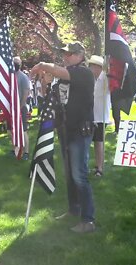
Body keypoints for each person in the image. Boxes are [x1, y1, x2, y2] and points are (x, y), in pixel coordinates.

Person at [30, 41, 96, 233]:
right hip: (66, 130)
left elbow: (60, 72)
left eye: (70, 54)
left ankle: (88, 220)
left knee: (79, 175)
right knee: (69, 174)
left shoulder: (83, 73)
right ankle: (74, 210)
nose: (65, 57)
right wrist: (46, 84)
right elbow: (50, 99)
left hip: (80, 131)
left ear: (80, 56)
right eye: (64, 54)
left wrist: (42, 65)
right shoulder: (64, 78)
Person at [88, 55, 110, 177]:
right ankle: (97, 165)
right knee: (92, 143)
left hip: (101, 117)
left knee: (99, 142)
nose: (90, 68)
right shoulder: (92, 80)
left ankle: (100, 168)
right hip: (91, 116)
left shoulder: (105, 79)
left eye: (92, 66)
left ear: (99, 67)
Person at [8, 56, 30, 160]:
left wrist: (20, 106)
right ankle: (14, 149)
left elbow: (26, 92)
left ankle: (26, 152)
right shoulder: (10, 76)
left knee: (23, 130)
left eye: (15, 63)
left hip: (21, 108)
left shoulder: (23, 77)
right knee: (11, 130)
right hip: (11, 109)